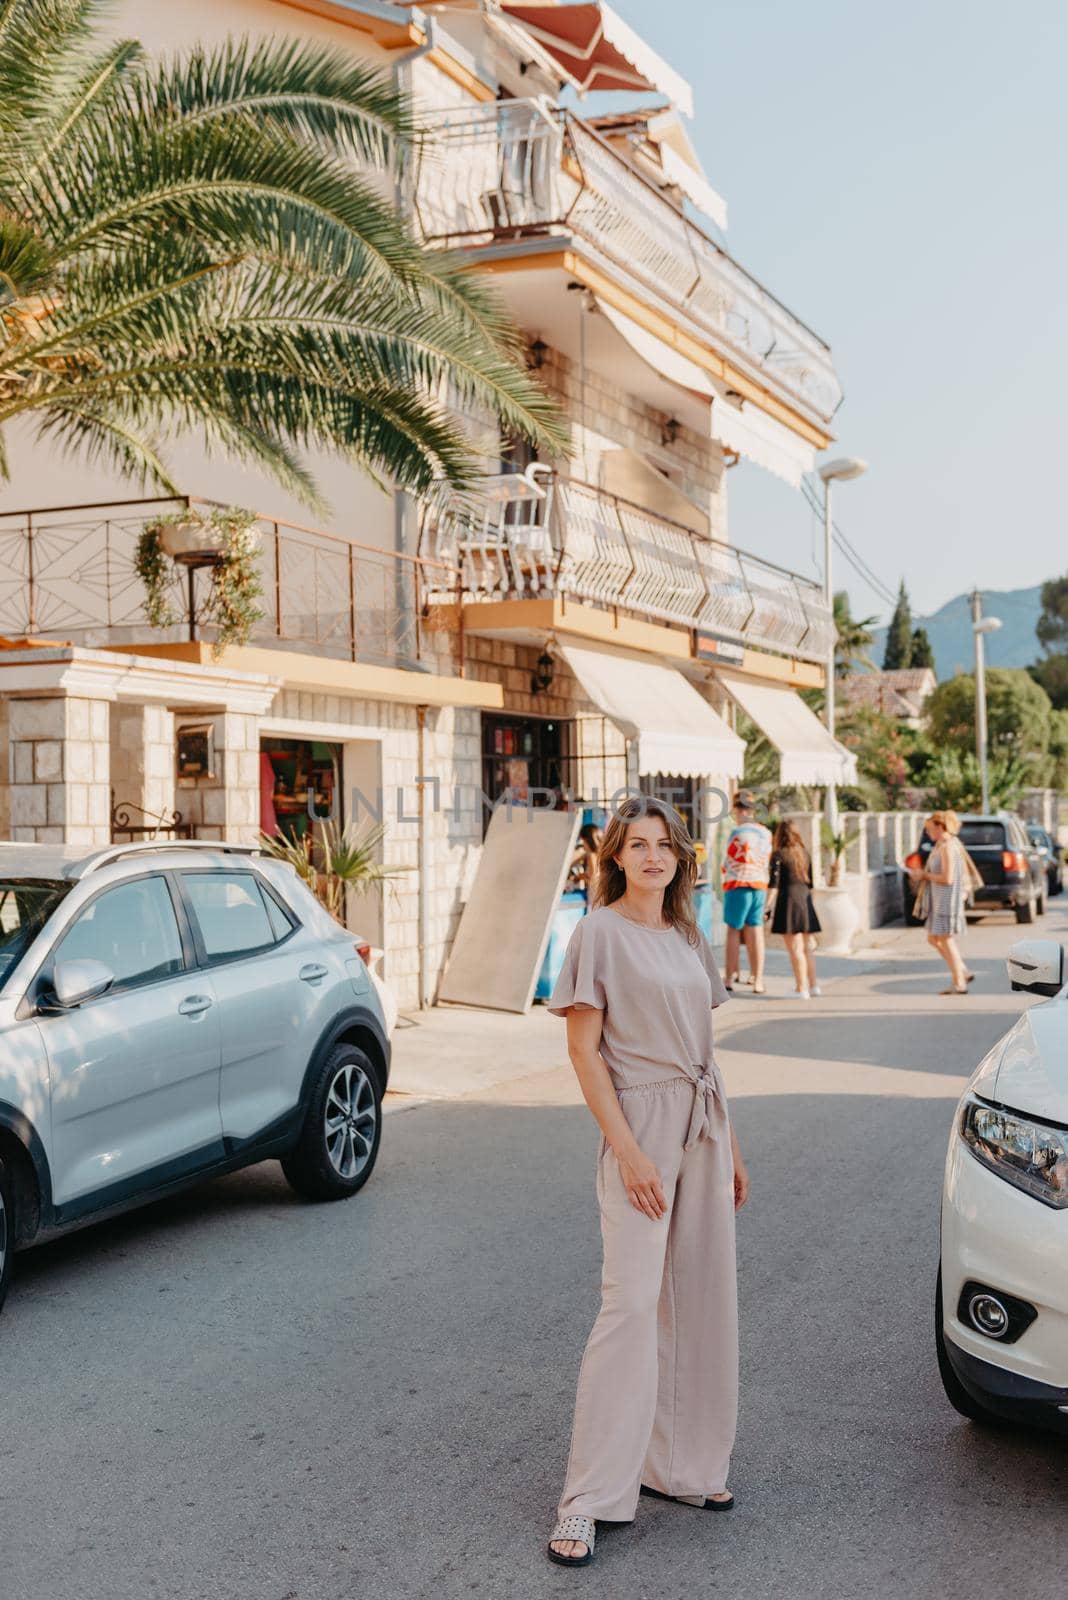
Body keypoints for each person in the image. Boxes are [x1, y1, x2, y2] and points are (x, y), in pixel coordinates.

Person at [545, 796, 749, 1569]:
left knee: (699, 1300)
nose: (653, 857)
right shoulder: (598, 933)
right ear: (616, 857)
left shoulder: (691, 936)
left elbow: (707, 1052)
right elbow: (584, 1053)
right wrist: (627, 1152)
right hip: (640, 1129)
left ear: (680, 857)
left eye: (665, 845)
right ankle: (589, 1499)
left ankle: (683, 1468)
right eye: (638, 845)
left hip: (703, 1127)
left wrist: (732, 1147)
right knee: (629, 1307)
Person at [912, 810, 977, 995]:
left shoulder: (949, 846)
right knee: (933, 938)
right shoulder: (942, 845)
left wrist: (924, 875)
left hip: (947, 901)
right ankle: (961, 971)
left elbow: (947, 878)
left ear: (941, 827)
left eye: (930, 829)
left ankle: (959, 981)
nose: (928, 833)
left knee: (945, 940)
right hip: (939, 900)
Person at [721, 789, 772, 995]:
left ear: (736, 808)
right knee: (756, 930)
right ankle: (757, 978)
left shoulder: (735, 833)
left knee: (733, 930)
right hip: (759, 885)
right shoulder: (765, 833)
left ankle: (729, 976)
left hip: (737, 885)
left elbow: (727, 862)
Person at [769, 820, 822, 998]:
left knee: (795, 950)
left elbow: (774, 885)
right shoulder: (804, 853)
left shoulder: (778, 855)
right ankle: (813, 986)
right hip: (805, 901)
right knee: (807, 948)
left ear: (780, 835)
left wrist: (767, 906)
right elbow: (812, 883)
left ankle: (801, 988)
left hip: (788, 902)